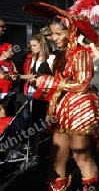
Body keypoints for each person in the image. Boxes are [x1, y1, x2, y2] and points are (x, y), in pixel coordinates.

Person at [23, 2, 99, 191]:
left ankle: (93, 186)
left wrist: (49, 82)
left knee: (80, 155)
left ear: (72, 32)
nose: (53, 38)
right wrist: (39, 80)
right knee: (56, 156)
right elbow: (57, 80)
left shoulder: (81, 54)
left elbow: (82, 84)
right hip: (61, 108)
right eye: (52, 34)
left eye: (58, 34)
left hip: (80, 107)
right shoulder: (60, 55)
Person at [19, 34, 55, 170]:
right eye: (30, 45)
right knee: (34, 126)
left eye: (34, 45)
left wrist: (42, 81)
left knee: (51, 127)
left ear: (42, 44)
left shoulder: (51, 58)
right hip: (36, 97)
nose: (31, 48)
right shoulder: (34, 58)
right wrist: (18, 76)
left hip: (49, 98)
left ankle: (55, 155)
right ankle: (34, 156)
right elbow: (33, 76)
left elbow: (57, 79)